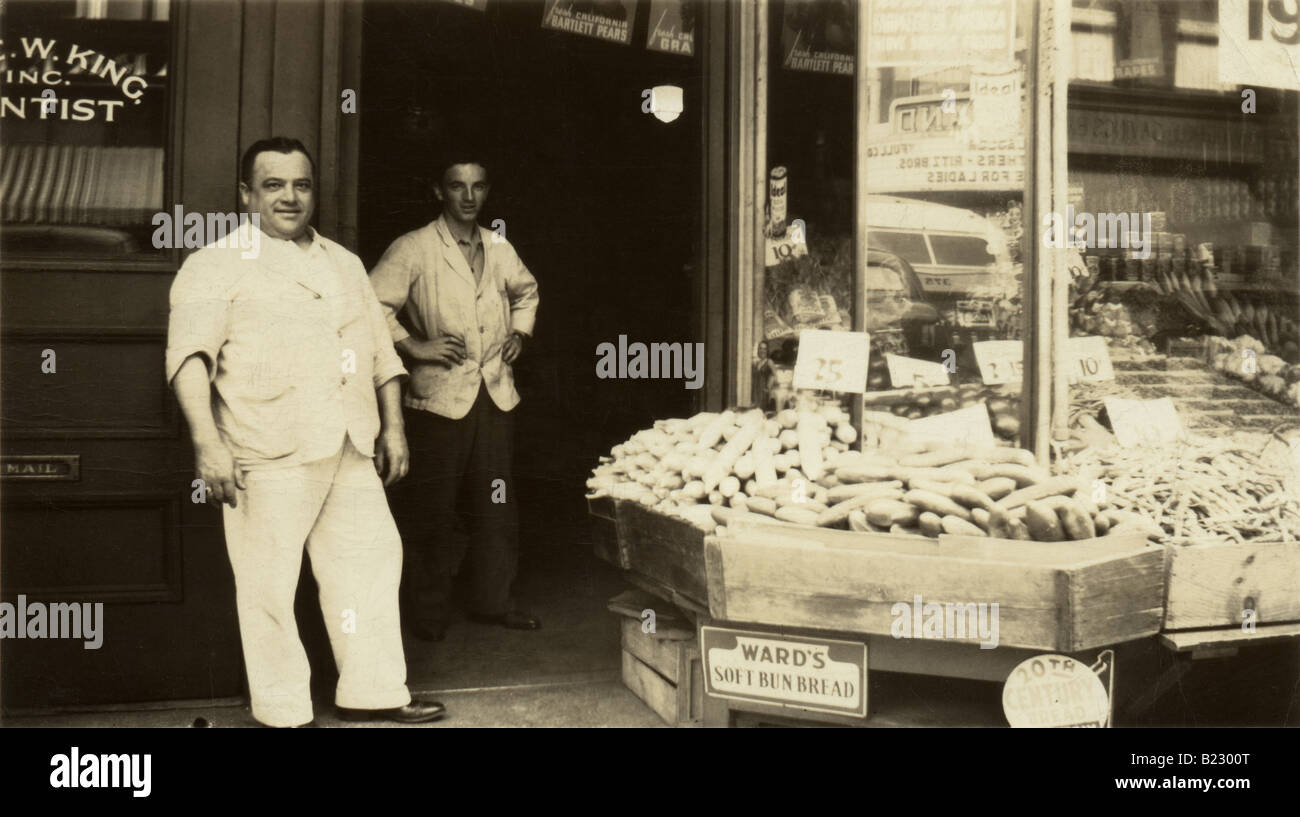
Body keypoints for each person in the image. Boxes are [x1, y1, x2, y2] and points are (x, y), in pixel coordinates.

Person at [166, 137, 445, 727]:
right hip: (266, 448)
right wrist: (207, 445)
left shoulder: (342, 262)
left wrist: (394, 428)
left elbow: (381, 354)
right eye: (273, 185)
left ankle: (373, 693)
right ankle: (283, 710)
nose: (289, 197)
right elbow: (190, 359)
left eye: (301, 185)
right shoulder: (213, 264)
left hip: (348, 444)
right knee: (268, 586)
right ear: (246, 194)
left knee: (369, 564)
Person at [369, 151, 540, 642]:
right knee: (433, 509)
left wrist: (520, 336)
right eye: (457, 186)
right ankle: (428, 614)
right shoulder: (414, 248)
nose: (468, 196)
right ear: (438, 191)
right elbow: (373, 307)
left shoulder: (499, 247)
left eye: (478, 186)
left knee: (496, 505)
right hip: (438, 398)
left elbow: (526, 293)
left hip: (494, 394)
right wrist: (416, 347)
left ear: (488, 192)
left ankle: (494, 601)